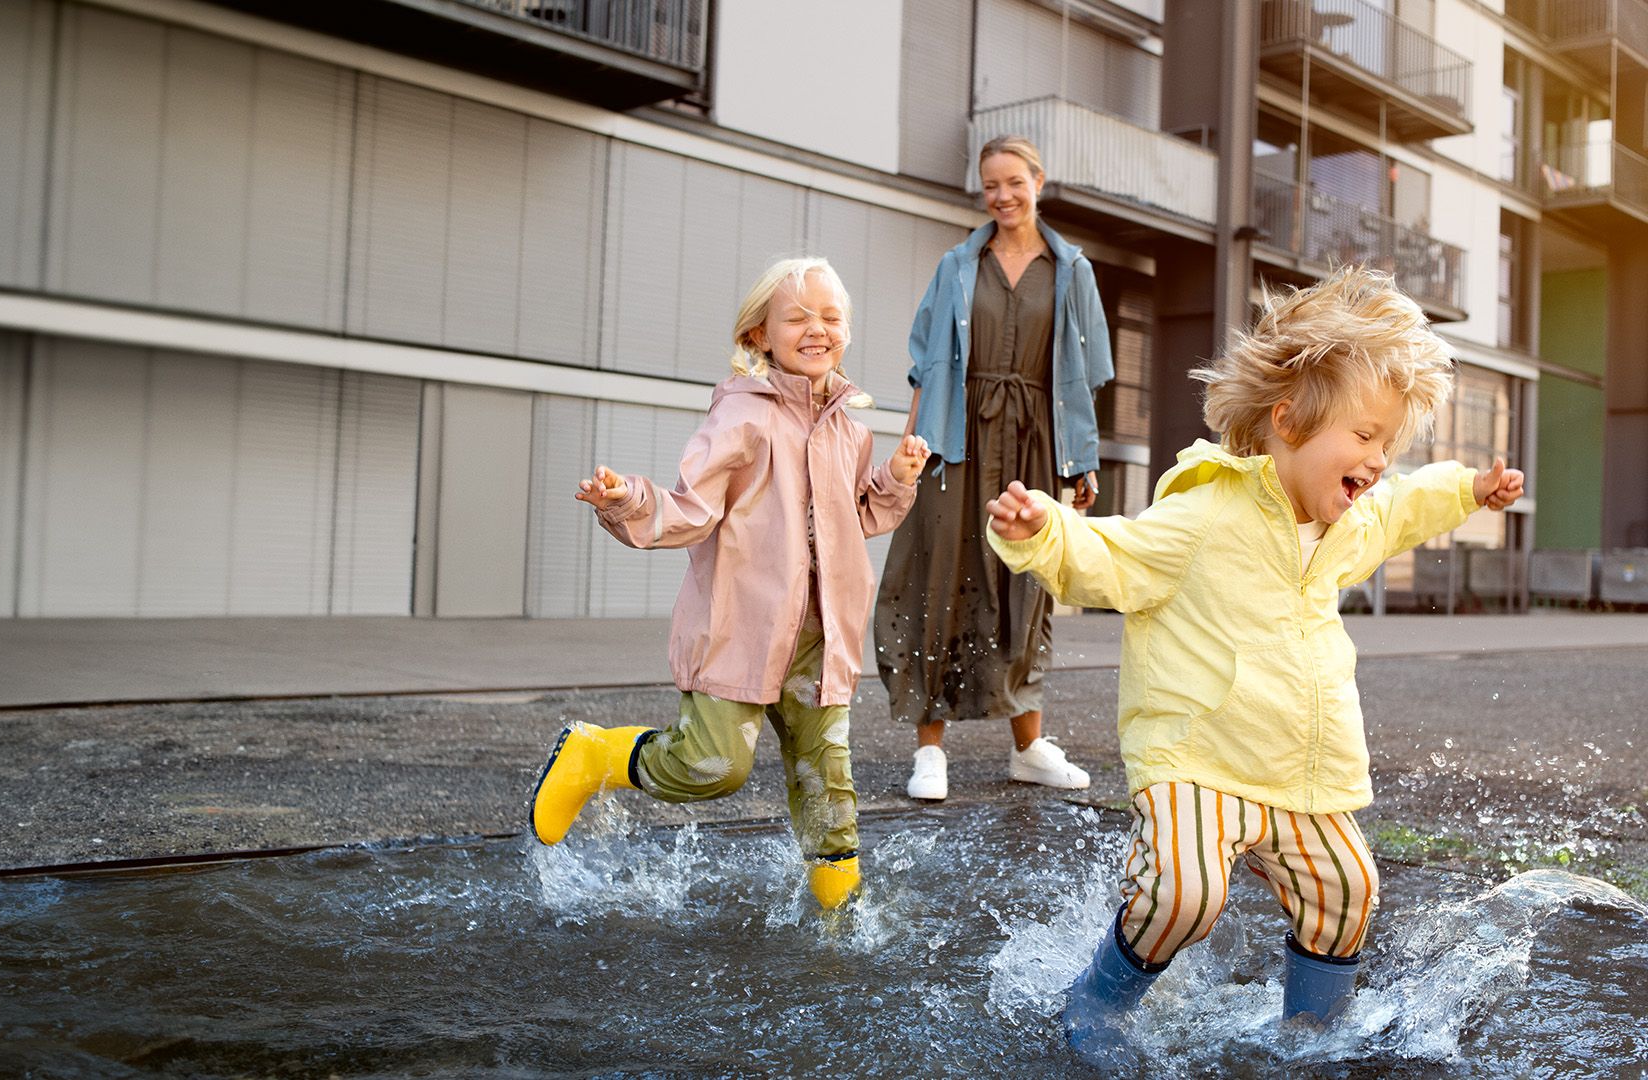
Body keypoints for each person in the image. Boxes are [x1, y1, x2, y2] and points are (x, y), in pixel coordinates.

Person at [983, 267, 1526, 1053]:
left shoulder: (1348, 523)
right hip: (1197, 755)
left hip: (1301, 768)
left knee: (1349, 888)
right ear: (1290, 420)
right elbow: (1112, 555)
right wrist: (1042, 530)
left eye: (1390, 443)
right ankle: (1096, 1004)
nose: (1378, 460)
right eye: (1366, 436)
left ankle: (1311, 1038)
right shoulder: (1204, 515)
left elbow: (1405, 507)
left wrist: (1468, 489)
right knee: (1182, 894)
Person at [529, 257, 930, 910]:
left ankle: (840, 925)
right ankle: (598, 755)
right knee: (714, 767)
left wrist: (896, 479)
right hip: (742, 630)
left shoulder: (850, 432)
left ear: (847, 333)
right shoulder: (741, 419)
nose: (816, 328)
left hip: (820, 637)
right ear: (759, 336)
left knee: (828, 783)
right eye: (796, 317)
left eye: (830, 317)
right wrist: (625, 498)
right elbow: (690, 509)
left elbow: (857, 518)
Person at [875, 136, 1113, 802]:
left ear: (1040, 180)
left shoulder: (1073, 270)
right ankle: (929, 752)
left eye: (1014, 182)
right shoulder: (957, 265)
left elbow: (1083, 378)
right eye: (990, 186)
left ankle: (1029, 747)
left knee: (1027, 587)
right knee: (936, 579)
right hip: (956, 439)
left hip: (1035, 441)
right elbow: (924, 365)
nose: (1003, 196)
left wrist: (1082, 458)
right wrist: (908, 449)